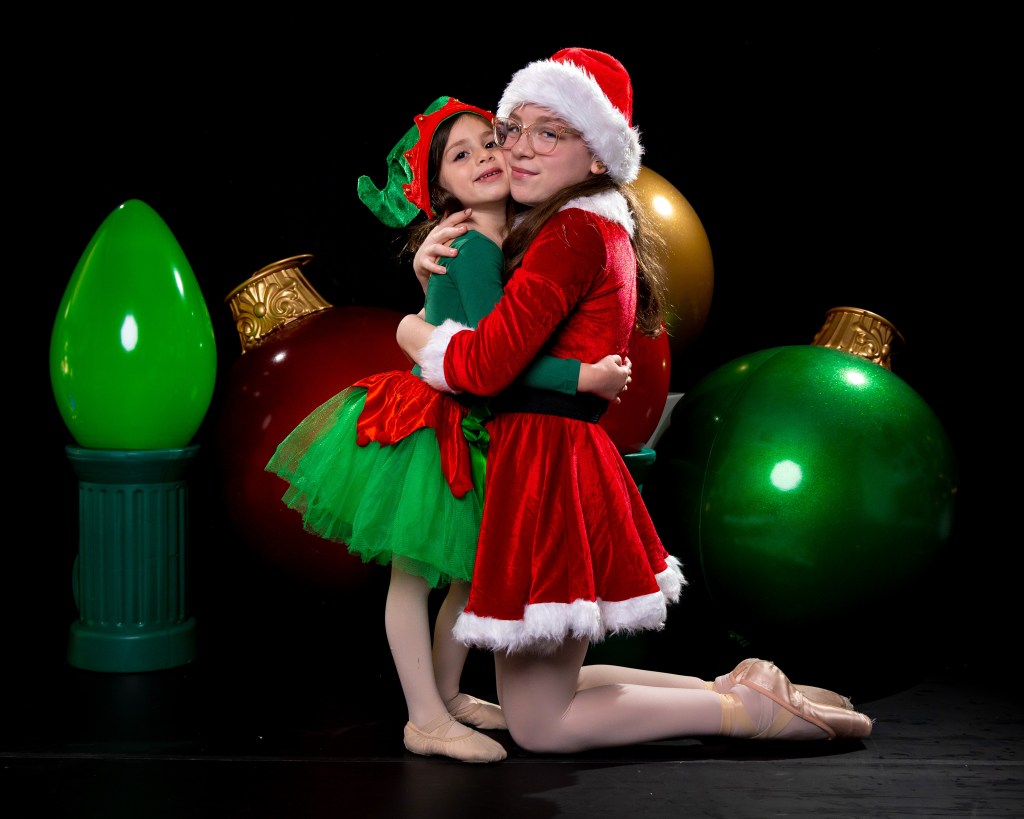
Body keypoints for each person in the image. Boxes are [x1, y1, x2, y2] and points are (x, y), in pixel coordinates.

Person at [397, 48, 874, 753]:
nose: (517, 149)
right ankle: (732, 691)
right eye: (514, 127)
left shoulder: (570, 236)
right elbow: (493, 315)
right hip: (548, 454)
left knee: (540, 724)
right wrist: (426, 269)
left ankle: (742, 714)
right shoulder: (575, 226)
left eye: (549, 133)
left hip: (549, 465)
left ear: (597, 158)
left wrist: (414, 333)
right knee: (543, 691)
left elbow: (490, 362)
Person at [265, 96, 632, 764]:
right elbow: (502, 358)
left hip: (475, 423)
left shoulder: (503, 240)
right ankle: (425, 715)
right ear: (440, 189)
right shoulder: (470, 250)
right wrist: (583, 378)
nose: (486, 158)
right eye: (461, 156)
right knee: (415, 574)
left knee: (465, 572)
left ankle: (448, 692)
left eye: (490, 144)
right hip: (437, 423)